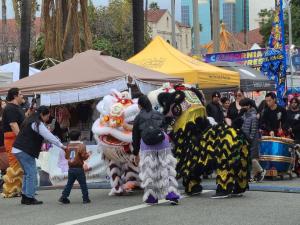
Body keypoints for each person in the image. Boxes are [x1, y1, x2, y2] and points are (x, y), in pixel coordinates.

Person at [12, 106, 66, 205]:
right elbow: (49, 136)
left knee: (27, 173)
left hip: (17, 149)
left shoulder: (29, 120)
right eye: (47, 116)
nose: (48, 119)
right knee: (31, 173)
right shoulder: (37, 123)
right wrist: (62, 146)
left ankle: (25, 196)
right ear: (42, 114)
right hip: (25, 150)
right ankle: (29, 197)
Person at [132, 95, 180, 205]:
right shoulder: (158, 114)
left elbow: (135, 137)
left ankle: (152, 197)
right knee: (166, 169)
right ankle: (172, 194)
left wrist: (136, 154)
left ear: (139, 105)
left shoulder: (138, 117)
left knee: (149, 172)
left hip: (147, 145)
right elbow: (165, 128)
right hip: (162, 142)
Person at [1, 88, 25, 198]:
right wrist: (21, 138)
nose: (22, 96)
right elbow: (13, 124)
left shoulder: (17, 107)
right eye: (20, 94)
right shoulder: (10, 108)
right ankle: (10, 190)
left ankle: (17, 188)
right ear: (15, 96)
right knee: (14, 164)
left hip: (16, 138)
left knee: (19, 164)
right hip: (12, 138)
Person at [59, 129, 90, 204]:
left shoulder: (68, 146)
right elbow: (84, 157)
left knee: (69, 183)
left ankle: (64, 196)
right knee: (83, 184)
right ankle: (85, 198)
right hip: (79, 168)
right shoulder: (81, 146)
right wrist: (88, 154)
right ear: (79, 137)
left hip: (71, 168)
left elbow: (66, 157)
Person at [239, 98, 265, 183]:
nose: (242, 107)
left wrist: (249, 139)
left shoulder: (253, 116)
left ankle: (260, 171)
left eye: (243, 106)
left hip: (252, 139)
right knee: (248, 157)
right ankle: (255, 174)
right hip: (245, 138)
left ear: (248, 106)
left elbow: (253, 130)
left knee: (251, 157)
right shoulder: (244, 114)